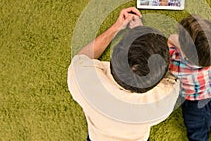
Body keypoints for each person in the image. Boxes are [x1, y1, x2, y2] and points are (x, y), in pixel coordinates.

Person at [67, 7, 180, 141]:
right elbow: (173, 74)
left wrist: (118, 27)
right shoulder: (164, 100)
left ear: (115, 52)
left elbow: (82, 57)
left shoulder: (81, 79)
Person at [168, 15, 211, 141]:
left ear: (184, 52)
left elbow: (171, 40)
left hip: (193, 107)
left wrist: (179, 43)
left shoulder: (177, 65)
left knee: (197, 136)